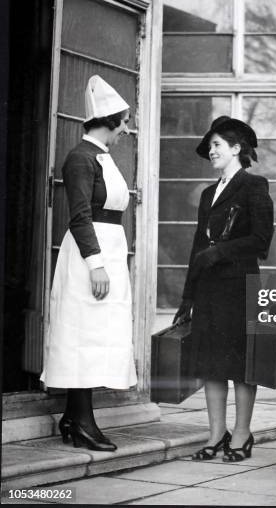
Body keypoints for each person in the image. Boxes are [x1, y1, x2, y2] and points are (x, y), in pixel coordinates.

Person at [40, 75, 137, 452]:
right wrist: (95, 263)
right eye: (124, 122)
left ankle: (75, 416)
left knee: (99, 334)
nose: (126, 130)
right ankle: (80, 420)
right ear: (109, 120)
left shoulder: (103, 157)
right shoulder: (80, 157)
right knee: (82, 332)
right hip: (87, 255)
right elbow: (79, 215)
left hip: (108, 251)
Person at [174, 116, 274, 462]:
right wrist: (188, 297)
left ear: (236, 149)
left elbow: (262, 241)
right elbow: (196, 248)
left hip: (240, 287)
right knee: (211, 363)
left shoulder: (254, 185)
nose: (212, 151)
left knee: (242, 364)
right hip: (208, 291)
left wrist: (220, 252)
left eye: (218, 145)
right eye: (211, 146)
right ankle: (216, 433)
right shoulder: (207, 194)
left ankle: (243, 433)